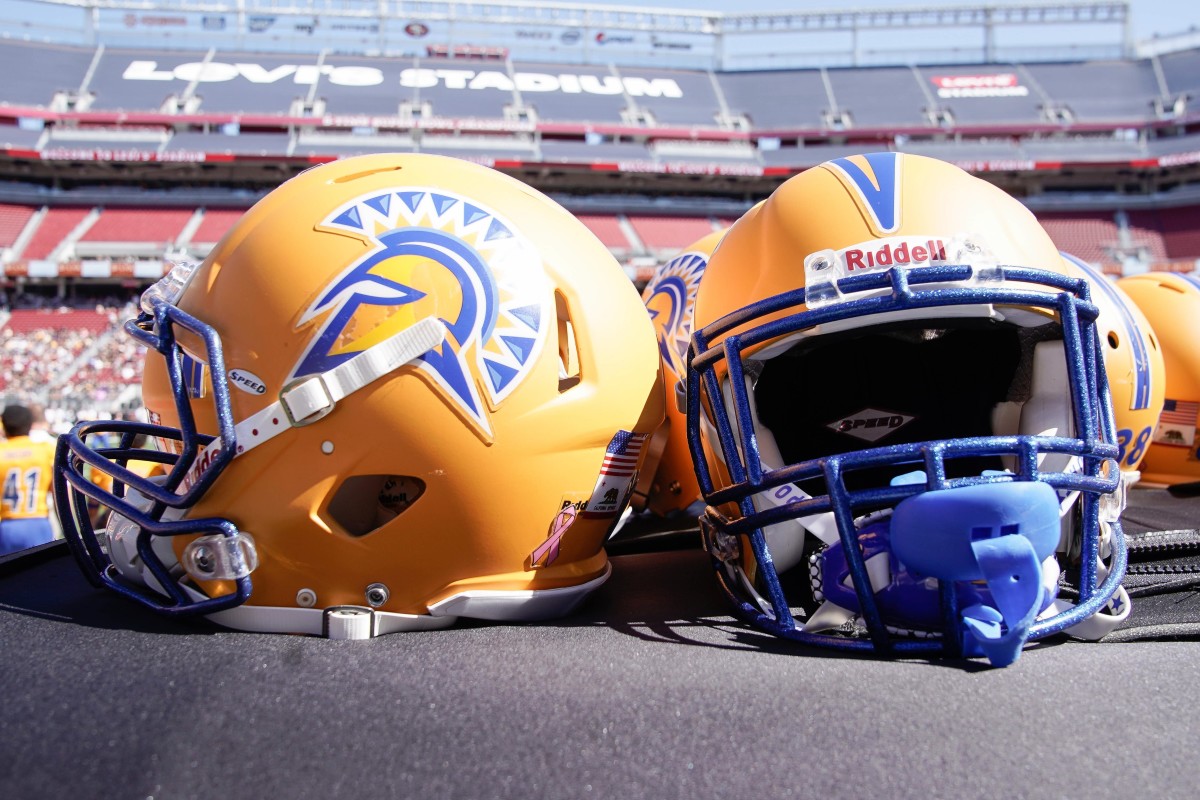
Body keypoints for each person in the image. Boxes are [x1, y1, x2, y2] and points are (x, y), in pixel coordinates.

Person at [0, 404, 58, 555]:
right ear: (30, 425)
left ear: (4, 426)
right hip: (38, 522)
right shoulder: (45, 449)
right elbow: (58, 490)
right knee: (42, 574)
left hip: (7, 525)